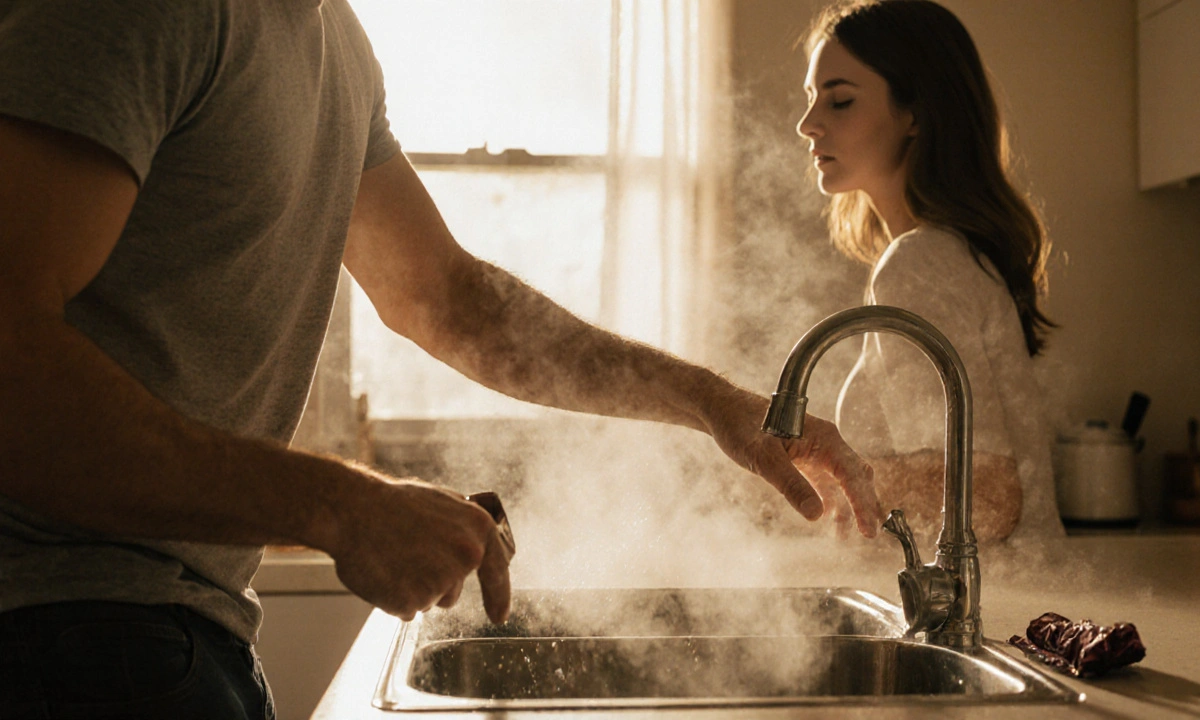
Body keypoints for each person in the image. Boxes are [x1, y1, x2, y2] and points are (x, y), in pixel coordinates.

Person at [0, 1, 882, 717]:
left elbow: (448, 299)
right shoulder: (134, 13)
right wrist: (341, 507)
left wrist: (712, 401)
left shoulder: (332, 41)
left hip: (178, 629)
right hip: (57, 629)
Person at [796, 0, 1065, 543]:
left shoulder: (919, 264)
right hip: (1019, 603)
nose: (807, 124)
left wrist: (805, 482)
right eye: (810, 100)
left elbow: (985, 497)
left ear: (915, 114)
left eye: (840, 100)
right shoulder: (943, 255)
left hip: (1002, 610)